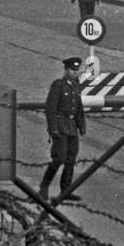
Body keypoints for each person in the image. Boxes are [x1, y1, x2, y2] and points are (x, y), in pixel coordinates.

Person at [40, 57, 87, 203]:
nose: (75, 73)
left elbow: (78, 107)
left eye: (77, 70)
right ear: (66, 70)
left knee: (71, 159)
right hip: (60, 125)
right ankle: (44, 186)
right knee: (59, 158)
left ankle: (65, 190)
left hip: (72, 126)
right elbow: (50, 108)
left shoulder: (76, 86)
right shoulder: (58, 85)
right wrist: (52, 128)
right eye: (72, 70)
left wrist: (81, 125)